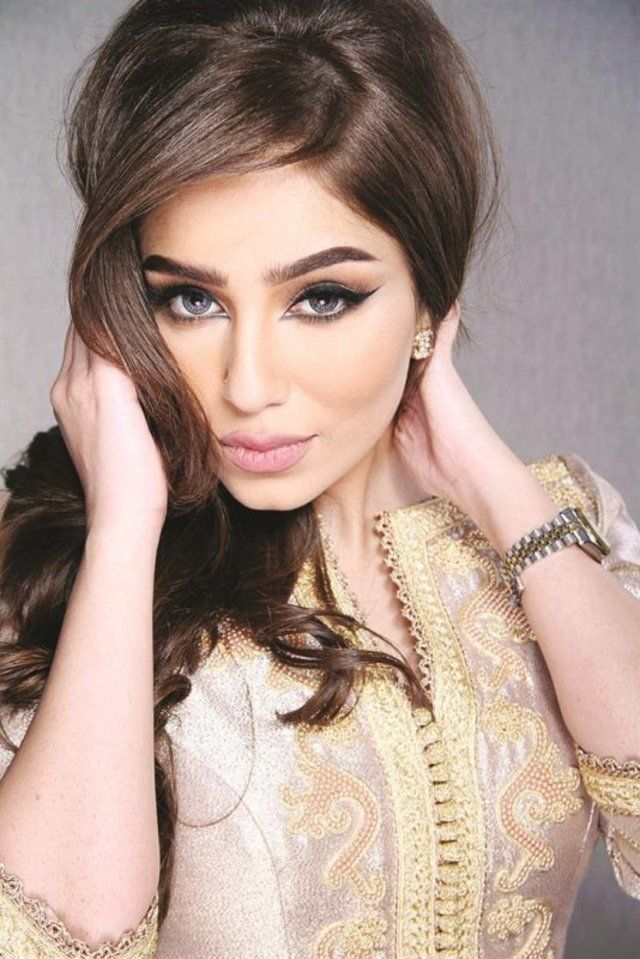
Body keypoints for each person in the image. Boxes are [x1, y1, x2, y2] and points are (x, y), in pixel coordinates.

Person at [0, 0, 639, 956]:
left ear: (429, 293)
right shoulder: (56, 565)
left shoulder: (563, 522)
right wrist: (124, 530)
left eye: (322, 297)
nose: (247, 385)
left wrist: (488, 476)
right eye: (191, 299)